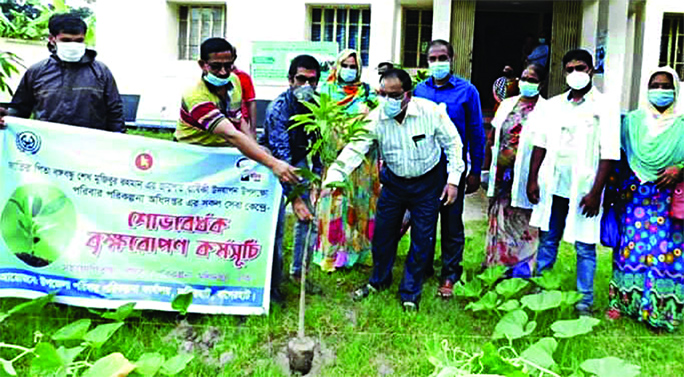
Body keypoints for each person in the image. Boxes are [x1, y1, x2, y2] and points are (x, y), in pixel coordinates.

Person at [325, 68, 464, 311]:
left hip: (427, 183)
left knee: (422, 239)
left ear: (408, 94)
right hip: (394, 183)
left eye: (394, 94)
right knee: (383, 235)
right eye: (383, 94)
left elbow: (453, 143)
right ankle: (379, 280)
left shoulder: (429, 112)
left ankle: (410, 292)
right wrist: (333, 178)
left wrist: (453, 180)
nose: (388, 100)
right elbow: (355, 149)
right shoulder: (376, 119)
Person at [526, 49, 620, 316]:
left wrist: (595, 192)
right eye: (569, 69)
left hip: (585, 187)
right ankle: (539, 290)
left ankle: (584, 301)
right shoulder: (554, 105)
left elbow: (609, 152)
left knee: (585, 245)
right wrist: (533, 179)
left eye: (580, 67)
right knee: (547, 239)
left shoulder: (605, 106)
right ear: (564, 72)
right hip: (554, 184)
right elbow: (540, 143)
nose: (575, 73)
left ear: (591, 70)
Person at [607, 67, 684, 331]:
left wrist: (680, 168)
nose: (660, 91)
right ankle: (623, 302)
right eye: (655, 85)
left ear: (675, 89)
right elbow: (617, 153)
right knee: (630, 249)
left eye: (666, 86)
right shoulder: (632, 121)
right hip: (635, 196)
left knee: (664, 252)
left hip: (668, 198)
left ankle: (660, 309)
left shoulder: (682, 124)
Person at [413, 39, 485, 298]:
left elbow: (476, 132)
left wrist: (476, 169)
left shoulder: (467, 91)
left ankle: (450, 274)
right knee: (424, 221)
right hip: (424, 169)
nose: (437, 63)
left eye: (442, 58)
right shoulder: (419, 90)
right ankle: (422, 268)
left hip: (454, 169)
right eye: (432, 59)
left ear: (452, 59)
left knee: (452, 223)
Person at [313, 49, 381, 272]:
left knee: (360, 204)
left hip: (362, 161)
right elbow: (321, 122)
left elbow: (373, 120)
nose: (349, 70)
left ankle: (357, 253)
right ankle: (331, 255)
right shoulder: (326, 89)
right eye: (346, 65)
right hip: (335, 157)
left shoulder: (367, 92)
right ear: (337, 66)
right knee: (334, 204)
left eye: (354, 66)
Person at [261, 54, 323, 295]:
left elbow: (318, 144)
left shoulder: (317, 105)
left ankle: (300, 274)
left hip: (299, 161)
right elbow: (281, 155)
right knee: (275, 227)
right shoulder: (278, 109)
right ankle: (272, 284)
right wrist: (296, 199)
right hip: (274, 163)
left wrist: (316, 179)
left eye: (312, 80)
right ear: (290, 79)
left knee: (308, 222)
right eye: (300, 79)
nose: (306, 86)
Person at [0, 13, 123, 131]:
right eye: (66, 40)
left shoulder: (101, 72)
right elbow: (20, 109)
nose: (73, 45)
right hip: (48, 145)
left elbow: (115, 113)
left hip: (89, 146)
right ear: (52, 39)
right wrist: (6, 118)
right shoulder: (36, 72)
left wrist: (121, 142)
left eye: (79, 40)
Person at [483, 63, 545, 278]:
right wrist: (486, 168)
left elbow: (545, 143)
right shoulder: (507, 104)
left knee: (524, 220)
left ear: (541, 83)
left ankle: (521, 270)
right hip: (501, 175)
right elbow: (493, 136)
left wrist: (535, 178)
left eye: (533, 79)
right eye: (524, 78)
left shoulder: (546, 110)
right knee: (499, 218)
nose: (527, 83)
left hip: (528, 176)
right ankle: (497, 266)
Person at [230, 46, 258, 137]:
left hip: (240, 123)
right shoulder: (214, 77)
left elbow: (251, 102)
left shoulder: (243, 77)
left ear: (234, 57)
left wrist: (253, 129)